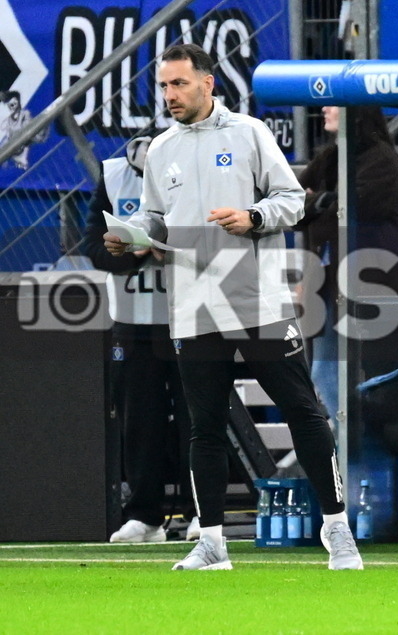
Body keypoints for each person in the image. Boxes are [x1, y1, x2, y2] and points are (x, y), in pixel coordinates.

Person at [103, 44, 361, 571]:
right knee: (204, 425)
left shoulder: (249, 133)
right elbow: (156, 218)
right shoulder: (161, 150)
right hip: (193, 304)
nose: (170, 95)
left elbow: (293, 200)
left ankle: (338, 531)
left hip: (257, 300)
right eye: (164, 86)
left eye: (179, 84)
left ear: (208, 84)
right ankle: (213, 544)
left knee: (303, 412)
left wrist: (253, 216)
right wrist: (133, 238)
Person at [83, 134, 198, 544]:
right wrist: (129, 253)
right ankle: (145, 516)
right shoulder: (113, 175)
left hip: (189, 316)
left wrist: (177, 249)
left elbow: (219, 240)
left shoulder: (197, 174)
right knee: (139, 421)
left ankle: (202, 510)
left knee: (198, 417)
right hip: (133, 323)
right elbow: (92, 245)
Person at [296, 104, 398, 420]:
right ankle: (350, 447)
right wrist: (323, 203)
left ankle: (367, 449)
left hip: (373, 280)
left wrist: (318, 205)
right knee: (324, 371)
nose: (323, 108)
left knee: (376, 372)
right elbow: (293, 206)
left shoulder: (379, 157)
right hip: (330, 282)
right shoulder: (329, 157)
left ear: (356, 111)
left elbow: (353, 213)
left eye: (333, 104)